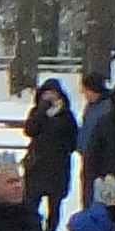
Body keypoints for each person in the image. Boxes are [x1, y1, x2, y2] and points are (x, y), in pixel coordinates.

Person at [20, 80, 80, 222]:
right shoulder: (36, 112)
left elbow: (73, 141)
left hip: (57, 168)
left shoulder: (66, 115)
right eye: (46, 94)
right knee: (30, 206)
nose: (49, 97)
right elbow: (29, 130)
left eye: (53, 94)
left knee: (54, 209)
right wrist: (41, 112)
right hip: (37, 166)